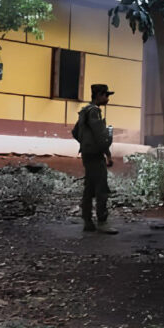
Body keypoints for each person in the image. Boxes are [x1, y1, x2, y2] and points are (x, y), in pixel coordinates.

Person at [74, 83, 117, 234]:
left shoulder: (84, 111)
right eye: (106, 95)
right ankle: (102, 222)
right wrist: (108, 154)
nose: (107, 98)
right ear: (98, 95)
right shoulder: (94, 112)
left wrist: (85, 143)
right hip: (96, 155)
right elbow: (101, 137)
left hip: (87, 154)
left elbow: (75, 131)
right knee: (101, 189)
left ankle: (87, 221)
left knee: (89, 187)